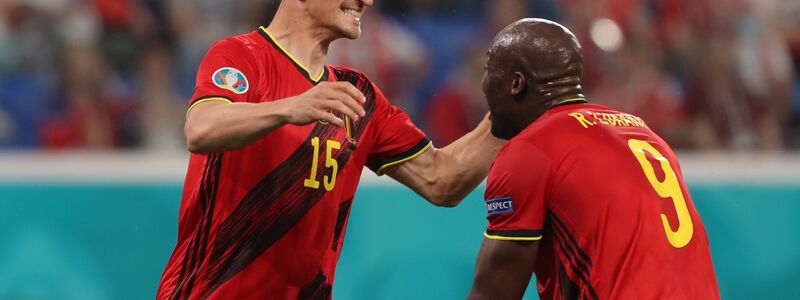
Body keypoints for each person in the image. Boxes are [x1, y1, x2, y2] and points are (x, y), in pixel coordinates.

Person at [156, 0, 503, 299]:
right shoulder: (241, 55)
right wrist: (290, 108)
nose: (366, 1)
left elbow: (441, 179)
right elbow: (202, 128)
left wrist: (509, 113)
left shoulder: (358, 96)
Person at [467, 19, 720, 299]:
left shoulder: (530, 150)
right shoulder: (641, 130)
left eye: (489, 71)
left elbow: (494, 291)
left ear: (516, 84)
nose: (483, 84)